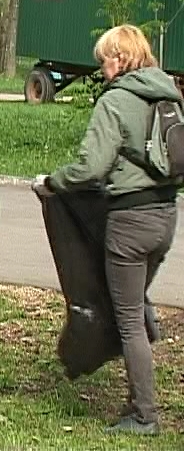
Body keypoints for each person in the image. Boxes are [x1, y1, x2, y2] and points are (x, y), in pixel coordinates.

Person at [32, 24, 180, 435]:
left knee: (127, 318)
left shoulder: (117, 101)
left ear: (121, 58)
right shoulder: (169, 93)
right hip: (166, 216)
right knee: (132, 303)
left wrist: (53, 182)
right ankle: (146, 343)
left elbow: (91, 167)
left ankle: (144, 414)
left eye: (105, 60)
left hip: (130, 221)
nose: (102, 69)